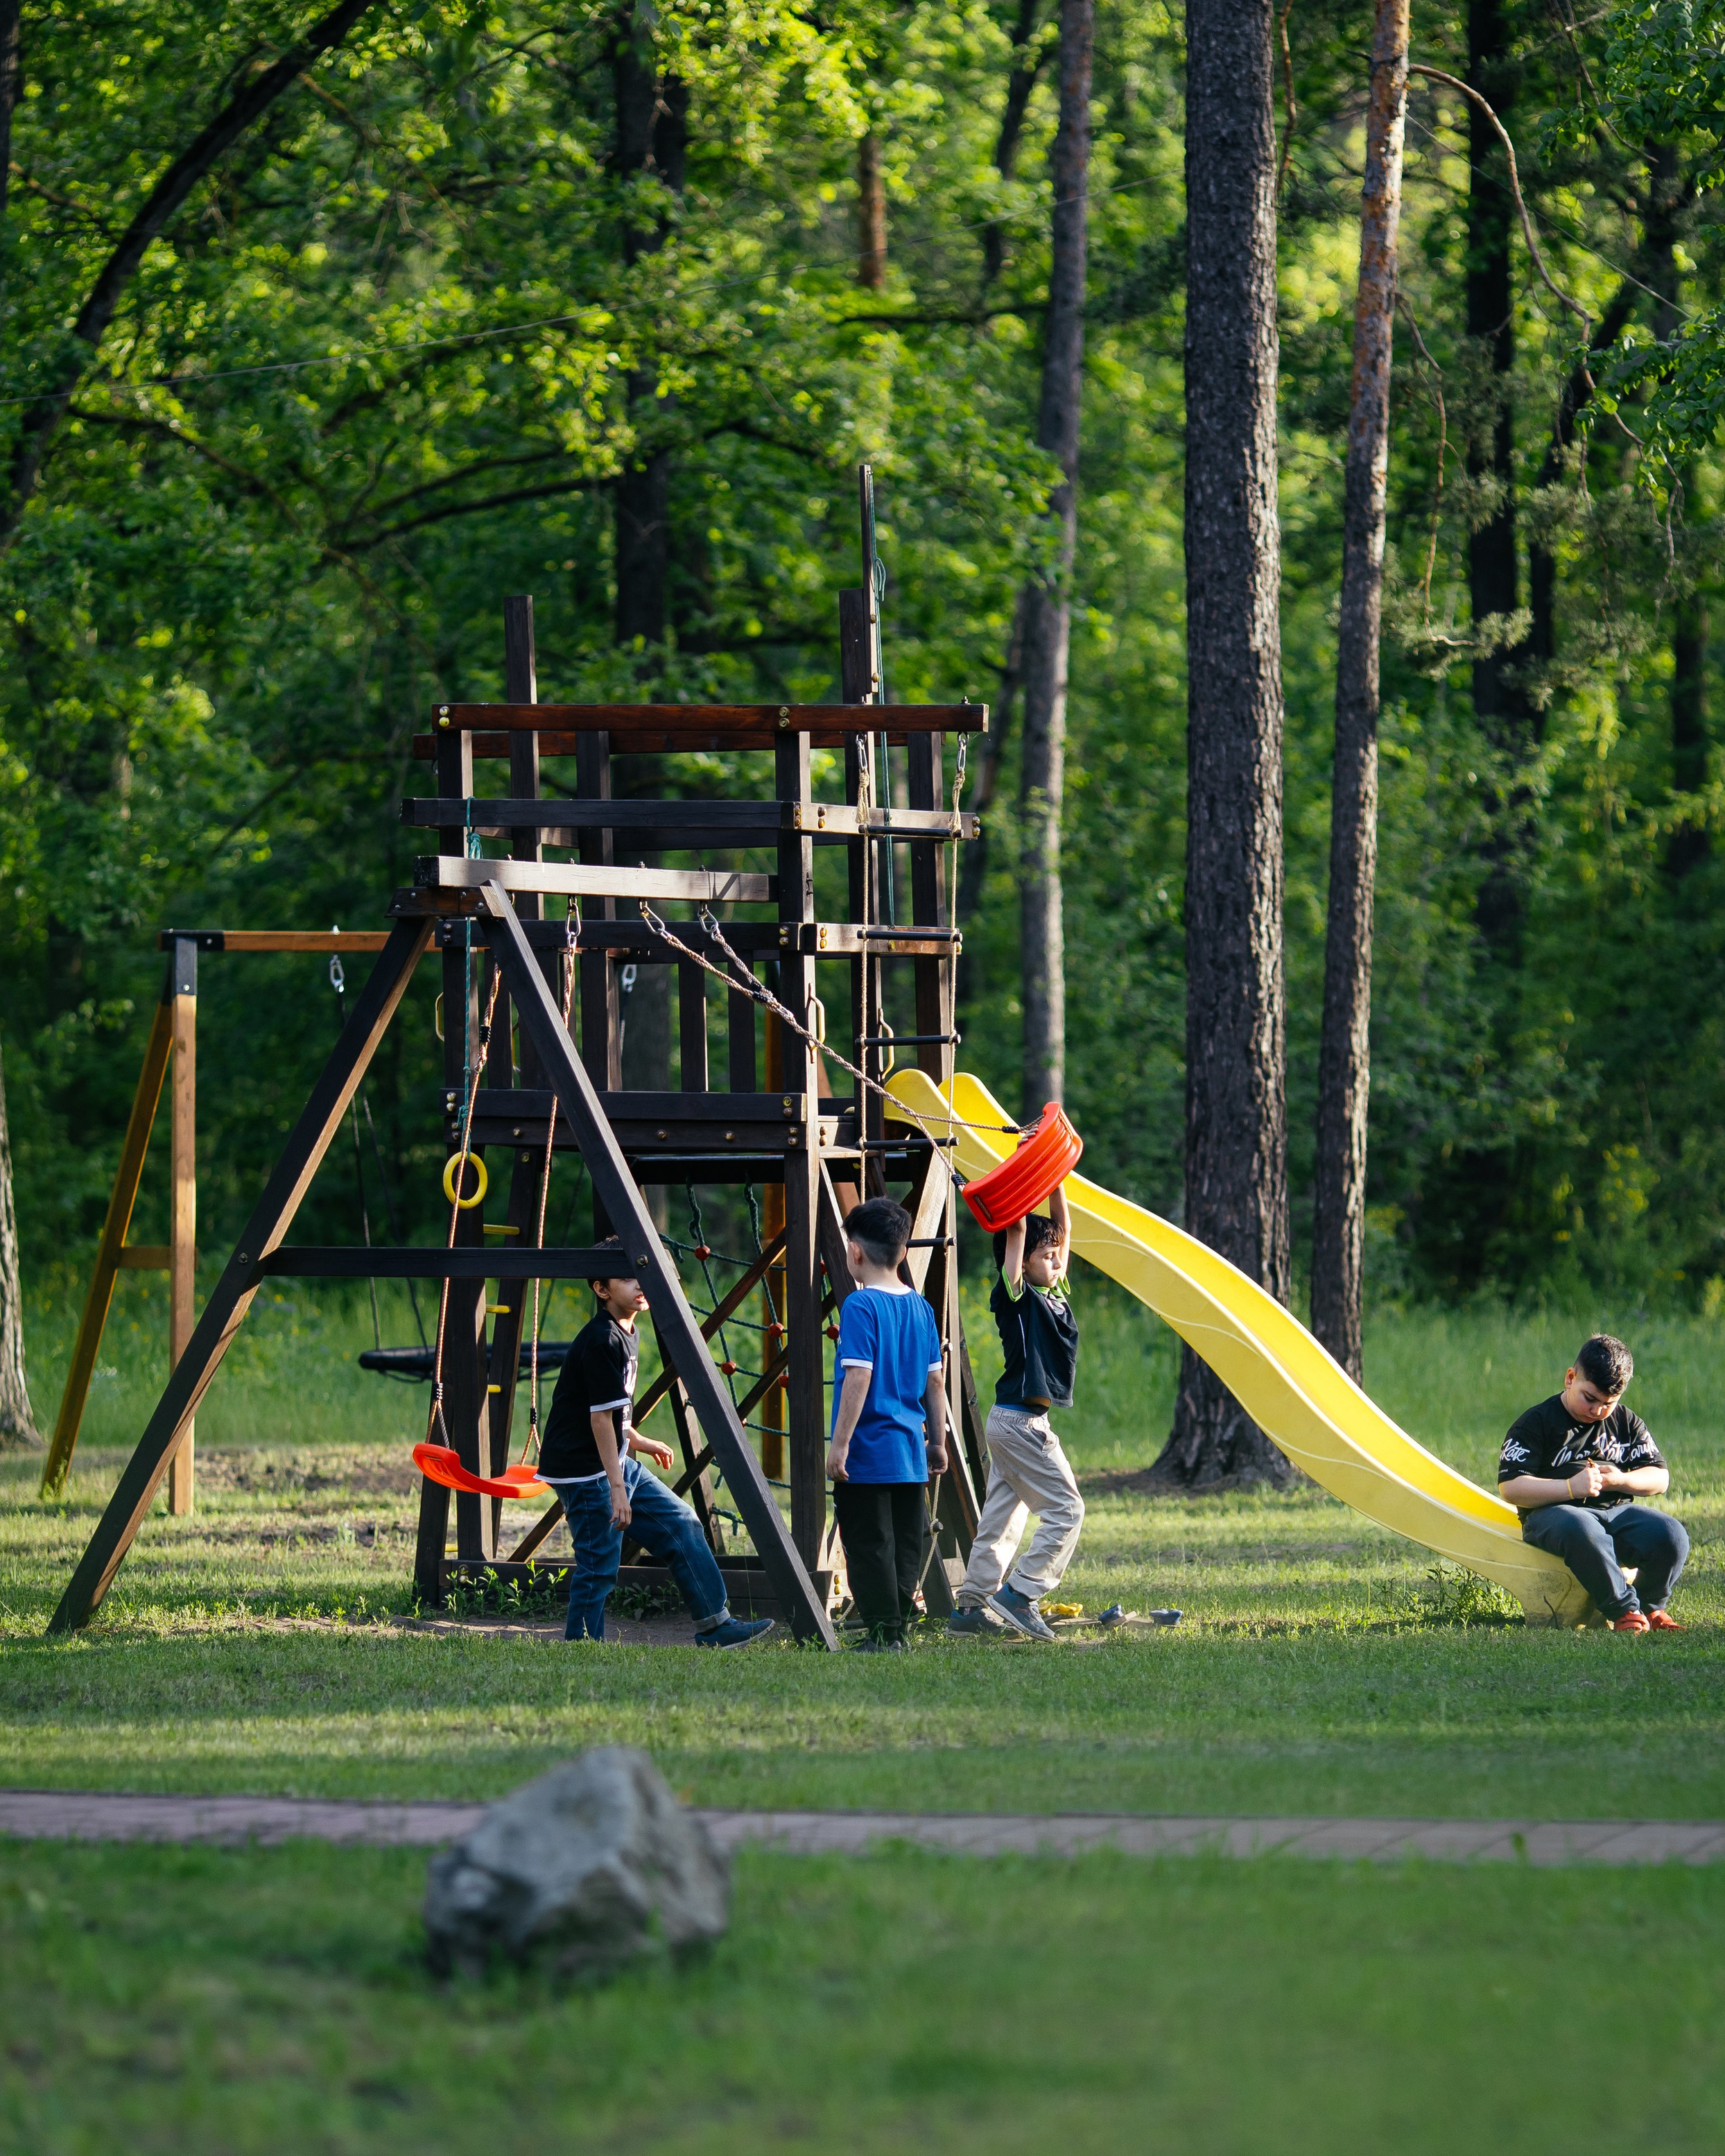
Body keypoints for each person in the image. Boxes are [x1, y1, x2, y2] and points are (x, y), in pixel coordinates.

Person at [537, 1248, 774, 1648]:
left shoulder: (628, 1330)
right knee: (599, 1563)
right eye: (628, 1278)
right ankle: (578, 1648)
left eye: (641, 1274)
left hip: (611, 1458)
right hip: (584, 1470)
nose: (640, 1284)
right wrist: (617, 1488)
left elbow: (611, 1413)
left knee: (682, 1523)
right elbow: (598, 1421)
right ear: (601, 1290)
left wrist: (640, 1441)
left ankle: (716, 1627)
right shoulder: (601, 1340)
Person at [947, 1176, 1084, 1643]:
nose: (1057, 1258)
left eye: (1058, 1253)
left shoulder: (1056, 1291)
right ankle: (1020, 1595)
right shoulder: (1017, 1295)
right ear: (1023, 1263)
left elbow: (1061, 1225)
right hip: (1020, 1425)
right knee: (1067, 1509)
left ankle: (970, 1607)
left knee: (1003, 1518)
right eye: (1046, 1255)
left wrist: (1054, 1177)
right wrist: (1022, 1185)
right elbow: (1018, 1232)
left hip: (1013, 1423)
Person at [1498, 1333, 1688, 1632]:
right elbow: (1511, 1488)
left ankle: (1650, 1609)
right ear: (1570, 1378)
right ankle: (1624, 1612)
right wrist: (1570, 1488)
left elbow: (1660, 1477)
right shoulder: (1536, 1422)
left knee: (1672, 1534)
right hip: (1552, 1515)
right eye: (1590, 1398)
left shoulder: (1625, 1421)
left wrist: (1622, 1480)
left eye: (1608, 1403)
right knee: (1584, 1529)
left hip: (1614, 1512)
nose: (1597, 1410)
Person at [825, 1196, 948, 1652]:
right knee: (903, 1546)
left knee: (867, 1543)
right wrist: (937, 1442)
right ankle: (896, 1631)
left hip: (868, 1454)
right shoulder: (921, 1307)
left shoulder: (861, 1306)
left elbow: (859, 1374)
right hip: (911, 1454)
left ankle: (882, 1632)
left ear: (855, 1252)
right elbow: (935, 1383)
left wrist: (839, 1446)